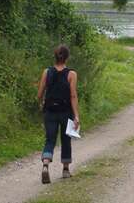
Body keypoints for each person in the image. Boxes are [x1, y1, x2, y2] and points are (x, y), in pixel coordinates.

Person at [37, 44, 80, 184]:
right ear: (67, 57)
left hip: (49, 111)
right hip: (65, 111)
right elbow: (73, 96)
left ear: (55, 57)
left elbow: (40, 93)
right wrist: (76, 115)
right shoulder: (71, 74)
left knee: (50, 139)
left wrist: (41, 103)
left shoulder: (46, 72)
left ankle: (45, 165)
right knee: (66, 140)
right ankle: (66, 170)